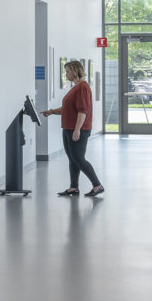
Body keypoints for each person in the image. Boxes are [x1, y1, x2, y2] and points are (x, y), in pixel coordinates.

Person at [42, 60, 103, 198]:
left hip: (77, 129)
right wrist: (51, 111)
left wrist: (77, 130)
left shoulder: (82, 87)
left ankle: (97, 185)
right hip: (68, 128)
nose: (66, 74)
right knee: (72, 159)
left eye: (68, 71)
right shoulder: (76, 87)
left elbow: (82, 111)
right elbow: (68, 109)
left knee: (79, 159)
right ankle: (73, 187)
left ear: (75, 71)